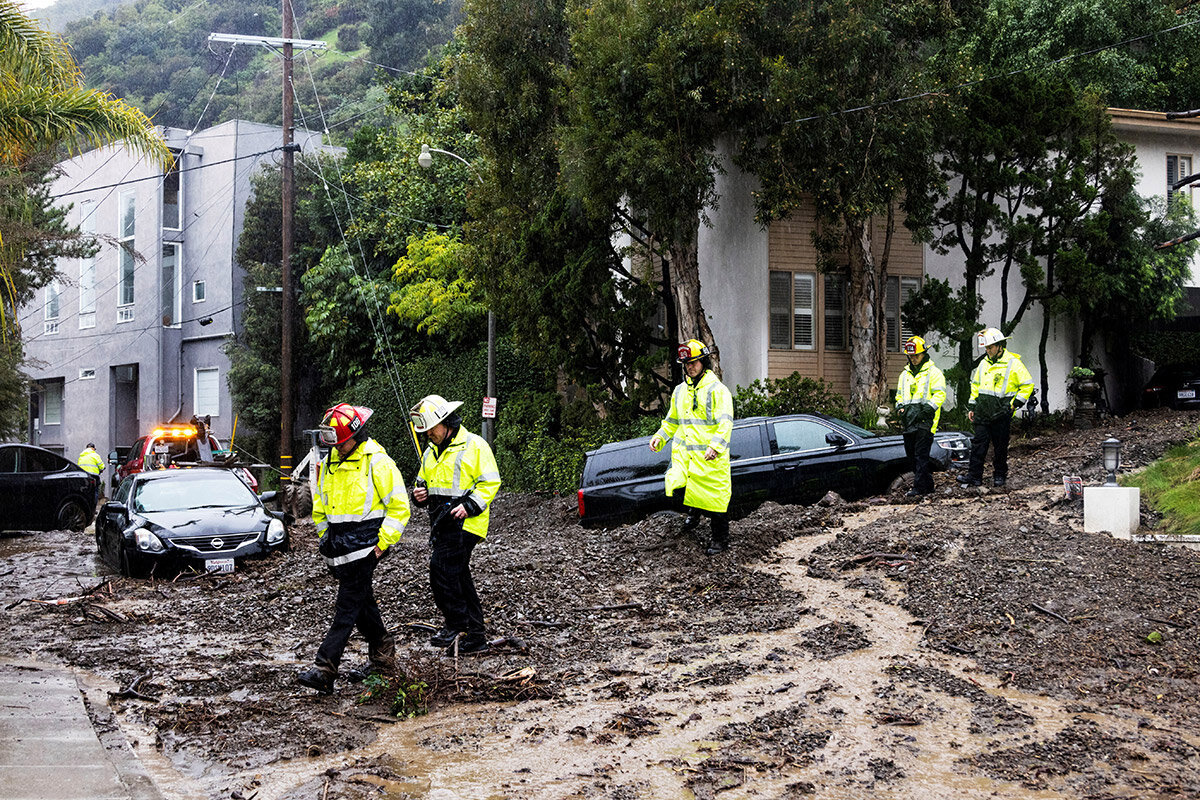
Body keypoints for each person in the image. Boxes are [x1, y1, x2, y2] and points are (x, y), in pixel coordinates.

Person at [298, 403, 410, 695]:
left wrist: (382, 544)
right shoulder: (331, 462)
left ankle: (325, 668)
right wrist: (325, 539)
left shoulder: (379, 462)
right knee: (362, 603)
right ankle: (383, 653)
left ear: (356, 435)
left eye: (340, 441)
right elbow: (320, 504)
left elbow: (399, 508)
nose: (336, 446)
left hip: (366, 546)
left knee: (347, 606)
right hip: (339, 545)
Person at [409, 395, 502, 656]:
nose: (427, 434)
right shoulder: (429, 452)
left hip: (466, 524)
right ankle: (475, 635)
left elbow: (490, 482)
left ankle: (456, 624)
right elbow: (422, 484)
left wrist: (470, 506)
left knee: (442, 570)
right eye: (424, 430)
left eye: (431, 429)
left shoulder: (475, 445)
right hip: (441, 523)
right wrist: (419, 495)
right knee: (460, 576)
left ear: (446, 422)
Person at [649, 339, 734, 555]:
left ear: (703, 362)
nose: (690, 366)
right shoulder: (679, 391)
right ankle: (693, 514)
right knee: (678, 486)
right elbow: (671, 421)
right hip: (686, 457)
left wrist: (715, 447)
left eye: (694, 362)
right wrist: (660, 436)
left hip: (711, 458)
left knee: (716, 501)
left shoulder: (718, 390)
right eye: (686, 363)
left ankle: (719, 541)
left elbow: (726, 422)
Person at [958, 328, 1035, 488]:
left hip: (1001, 413)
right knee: (978, 445)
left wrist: (1014, 404)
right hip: (983, 412)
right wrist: (972, 406)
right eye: (986, 348)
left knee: (1000, 447)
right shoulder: (983, 363)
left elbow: (1027, 385)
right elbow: (976, 385)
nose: (988, 351)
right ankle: (974, 476)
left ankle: (999, 476)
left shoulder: (1013, 363)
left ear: (1000, 346)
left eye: (990, 347)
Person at [894, 336, 947, 498]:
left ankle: (919, 488)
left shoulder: (934, 373)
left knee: (920, 456)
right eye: (911, 356)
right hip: (909, 421)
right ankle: (928, 486)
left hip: (926, 421)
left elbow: (940, 394)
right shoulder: (905, 375)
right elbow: (899, 396)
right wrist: (900, 408)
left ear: (924, 353)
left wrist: (927, 410)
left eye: (916, 355)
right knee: (912, 457)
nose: (914, 359)